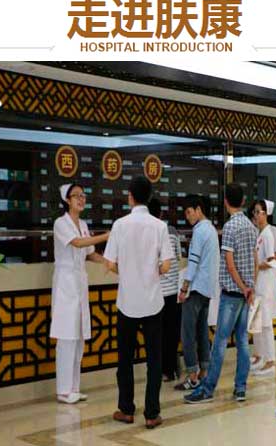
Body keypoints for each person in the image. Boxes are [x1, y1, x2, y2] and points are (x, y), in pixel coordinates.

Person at [103, 177, 174, 429]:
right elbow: (167, 264)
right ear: (149, 197)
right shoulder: (159, 226)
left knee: (125, 358)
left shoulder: (119, 225)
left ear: (130, 197)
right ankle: (152, 413)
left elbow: (109, 263)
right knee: (154, 359)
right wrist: (151, 273)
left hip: (127, 302)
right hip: (153, 302)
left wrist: (127, 273)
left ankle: (126, 409)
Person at [184, 184, 256, 404]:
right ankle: (240, 388)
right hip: (246, 294)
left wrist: (242, 287)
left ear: (226, 202)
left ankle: (207, 389)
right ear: (242, 201)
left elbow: (230, 265)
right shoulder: (251, 227)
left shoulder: (230, 227)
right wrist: (250, 288)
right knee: (243, 341)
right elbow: (255, 259)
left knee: (220, 343)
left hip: (233, 293)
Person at [50, 183, 110, 404]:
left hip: (79, 283)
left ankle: (74, 387)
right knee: (66, 336)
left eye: (83, 196)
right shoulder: (61, 223)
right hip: (65, 284)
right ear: (67, 200)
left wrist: (110, 263)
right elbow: (77, 243)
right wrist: (105, 236)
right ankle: (63, 390)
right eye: (76, 196)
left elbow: (89, 253)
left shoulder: (83, 224)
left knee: (78, 337)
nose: (81, 199)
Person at [174, 194, 218, 392]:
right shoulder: (211, 230)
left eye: (189, 212)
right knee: (201, 332)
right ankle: (204, 372)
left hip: (196, 289)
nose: (188, 216)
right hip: (207, 289)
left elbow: (193, 262)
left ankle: (192, 376)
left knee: (188, 333)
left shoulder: (199, 231)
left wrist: (184, 288)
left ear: (199, 209)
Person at [147, 197, 183, 382]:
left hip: (155, 292)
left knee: (156, 334)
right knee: (172, 333)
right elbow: (178, 256)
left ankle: (159, 370)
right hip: (173, 291)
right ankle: (171, 369)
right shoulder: (172, 232)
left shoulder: (147, 232)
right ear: (161, 213)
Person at [249, 199, 276, 377]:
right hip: (259, 283)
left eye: (258, 212)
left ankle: (270, 362)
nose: (255, 215)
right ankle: (259, 357)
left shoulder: (268, 234)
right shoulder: (260, 233)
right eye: (254, 212)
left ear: (265, 213)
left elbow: (271, 260)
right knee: (257, 322)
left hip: (266, 284)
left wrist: (257, 266)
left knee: (266, 324)